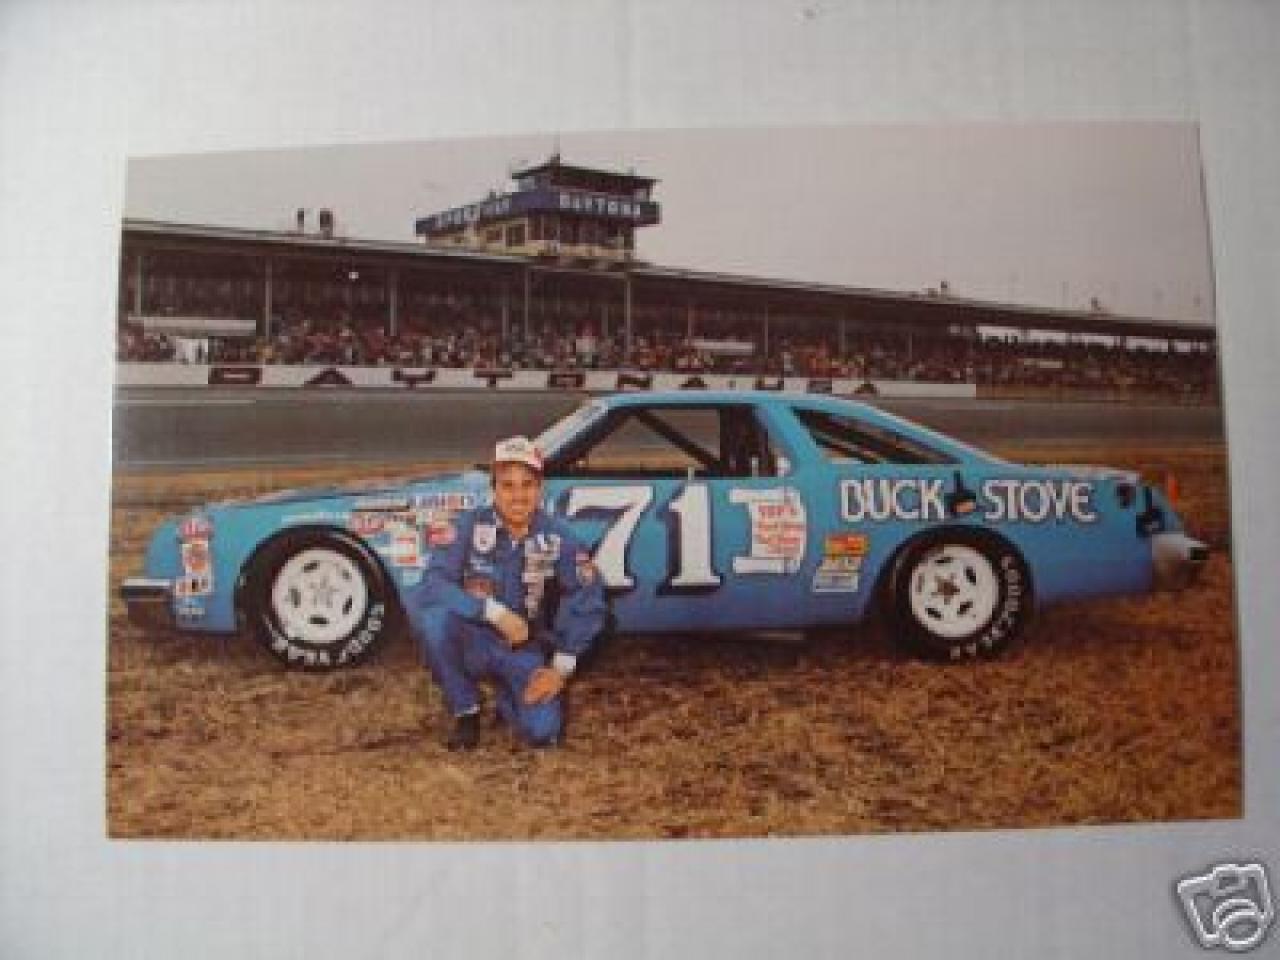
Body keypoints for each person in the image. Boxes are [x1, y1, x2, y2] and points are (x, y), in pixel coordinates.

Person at [408, 436, 606, 750]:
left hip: (525, 648)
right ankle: (466, 710)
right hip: (474, 638)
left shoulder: (560, 536)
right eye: (508, 485)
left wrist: (559, 669)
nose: (518, 496)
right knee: (434, 620)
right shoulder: (467, 526)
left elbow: (589, 601)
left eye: (527, 485)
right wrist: (493, 612)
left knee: (543, 734)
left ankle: (507, 694)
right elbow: (432, 584)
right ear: (494, 489)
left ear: (540, 489)